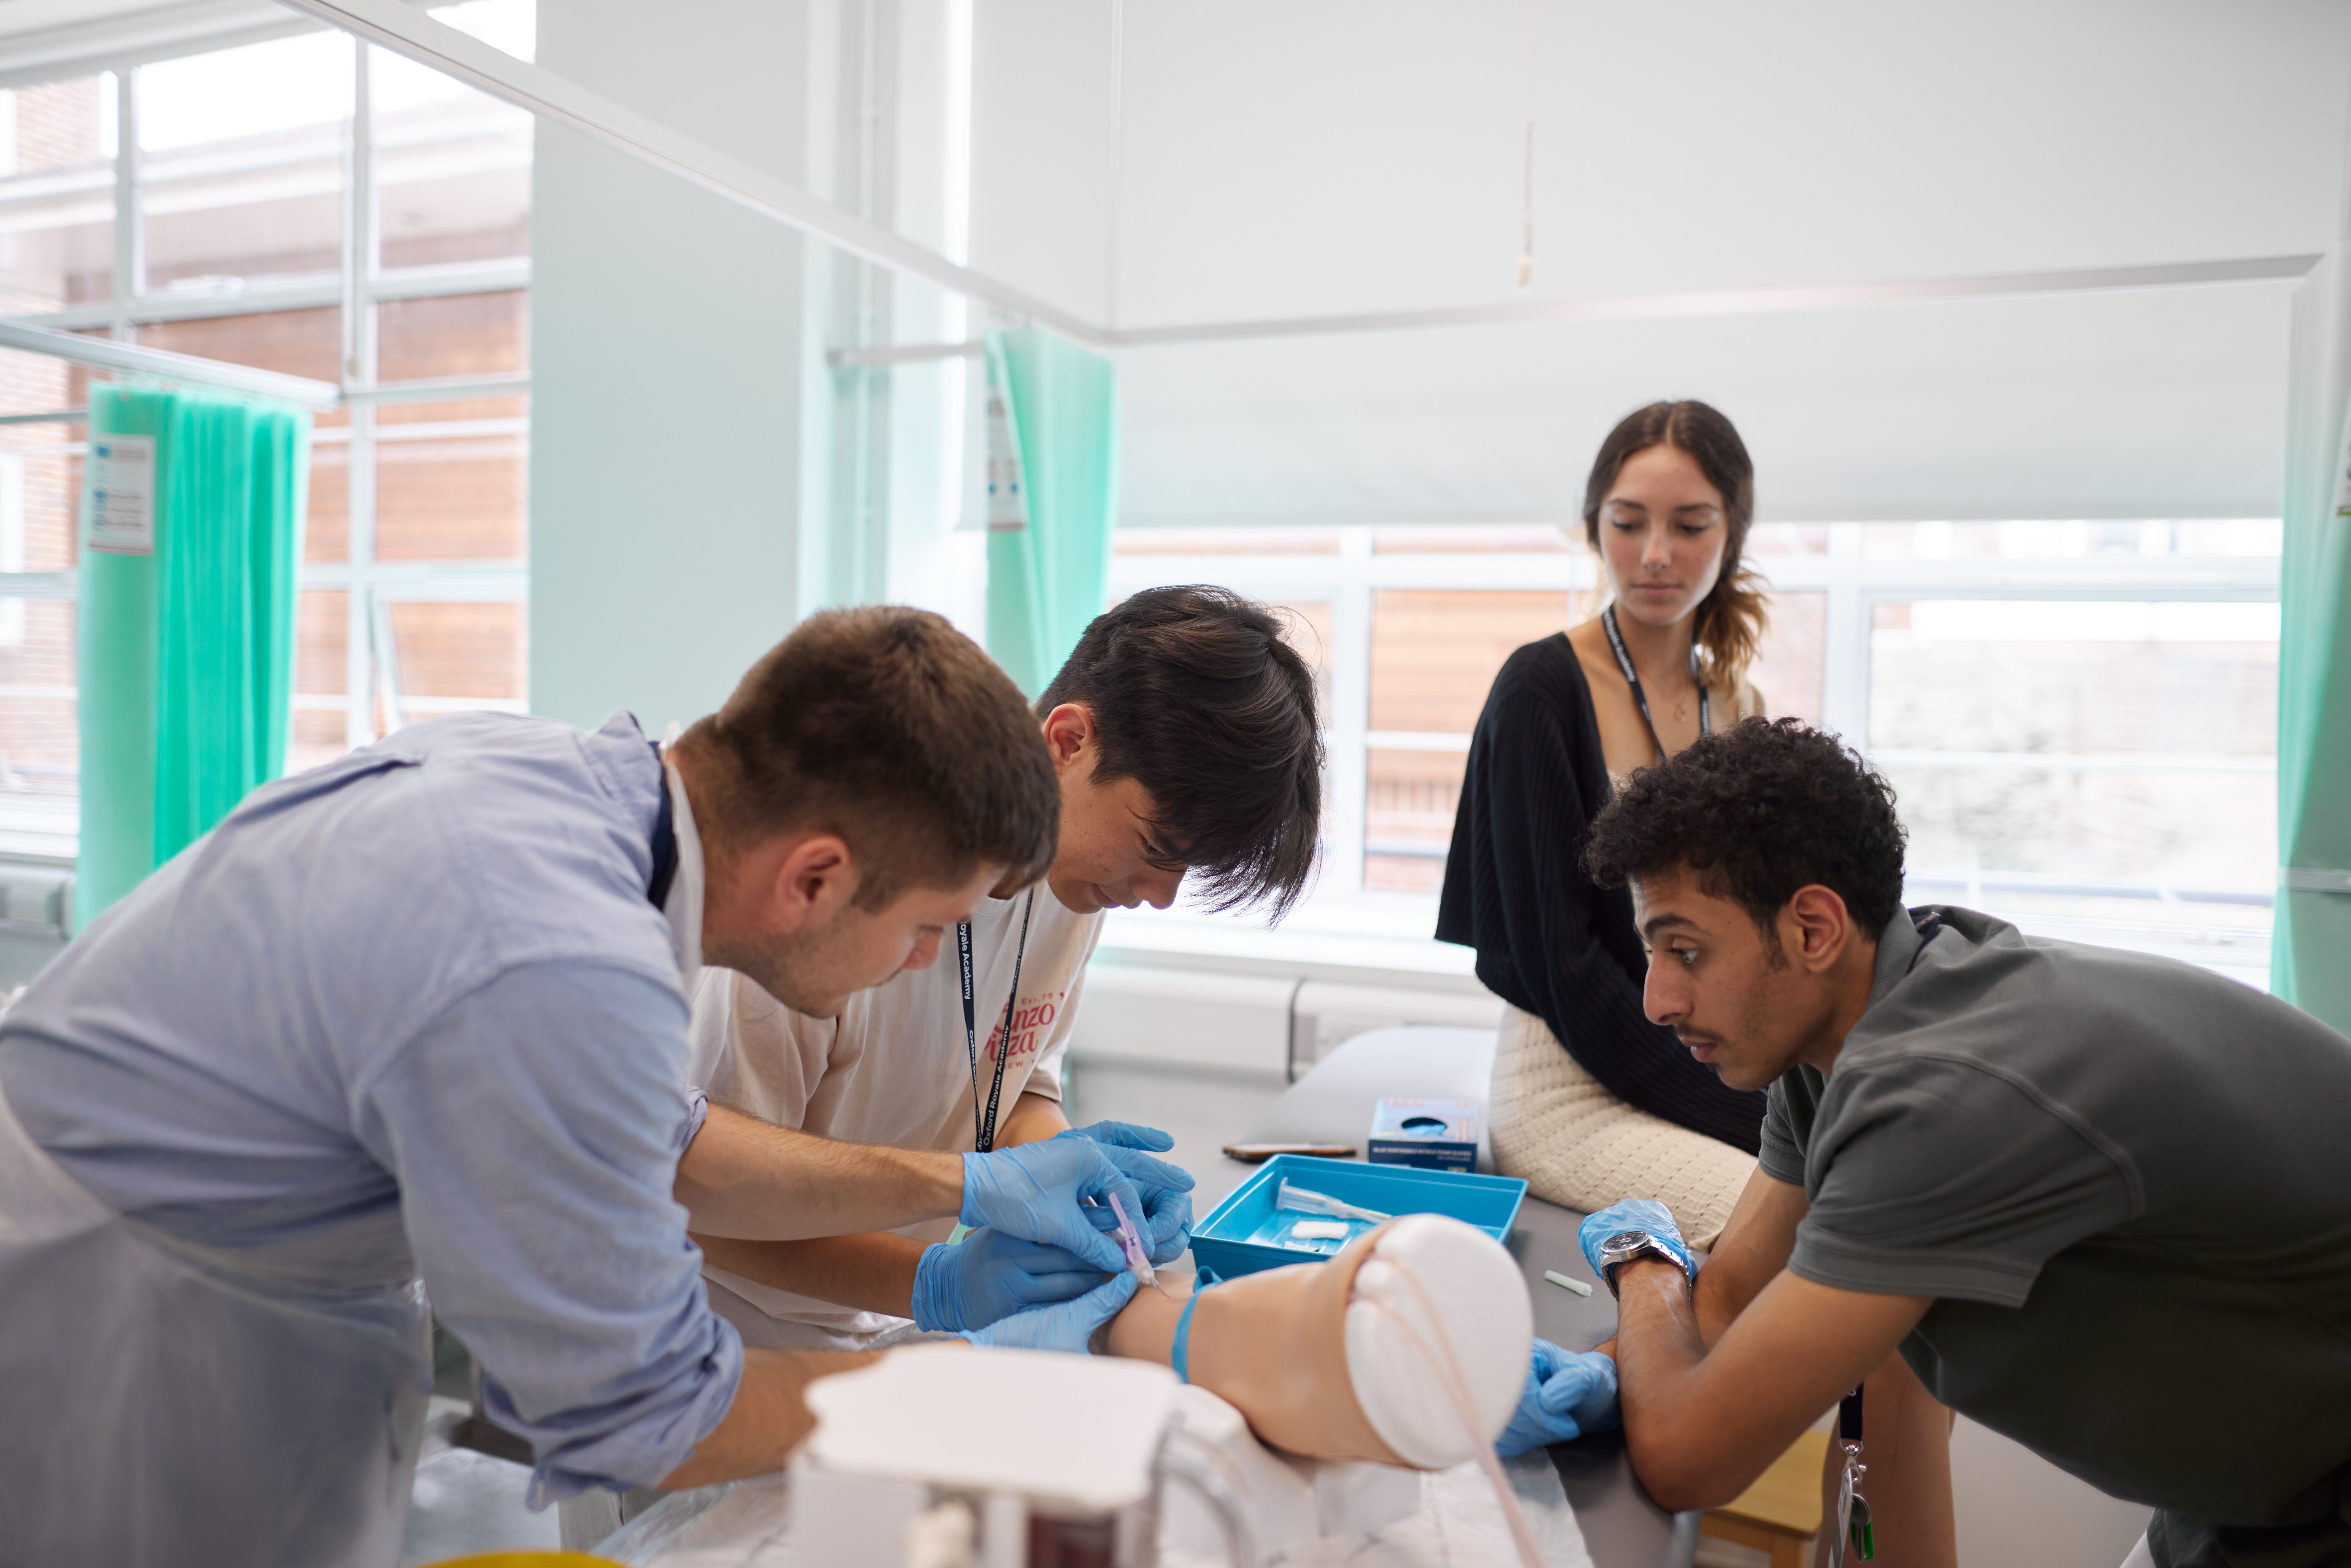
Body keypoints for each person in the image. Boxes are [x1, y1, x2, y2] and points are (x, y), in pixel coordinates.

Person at [0, 606, 1188, 1568]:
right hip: (136, 1314)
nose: (925, 960)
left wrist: (954, 1221)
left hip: (213, 1251)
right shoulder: (560, 963)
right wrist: (957, 1379)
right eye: (927, 927)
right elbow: (649, 1416)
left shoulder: (566, 790)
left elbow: (669, 1141)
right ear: (816, 877)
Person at [1574, 718, 2351, 1568]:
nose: (1657, 1001)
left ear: (1814, 929)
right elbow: (1726, 1301)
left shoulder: (1940, 1097)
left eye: (1684, 950)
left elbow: (1692, 1455)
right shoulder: (1852, 1030)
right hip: (2253, 1483)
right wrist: (1562, 1373)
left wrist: (1639, 1260)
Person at [682, 586, 1324, 1348]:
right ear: (1068, 741)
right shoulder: (843, 894)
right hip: (727, 1321)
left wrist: (1067, 1171)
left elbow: (1011, 1080)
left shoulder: (1076, 886)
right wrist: (936, 1280)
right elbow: (697, 1198)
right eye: (1157, 851)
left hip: (884, 1316)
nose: (1157, 895)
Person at [1438, 399, 1772, 1251]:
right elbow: (1566, 970)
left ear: (1732, 533)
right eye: (1629, 523)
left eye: (1690, 525)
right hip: (1569, 1089)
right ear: (1595, 527)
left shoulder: (1737, 705)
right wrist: (1758, 1119)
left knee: (1880, 1200)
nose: (1656, 555)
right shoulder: (1539, 692)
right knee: (1785, 1220)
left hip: (1702, 1063)